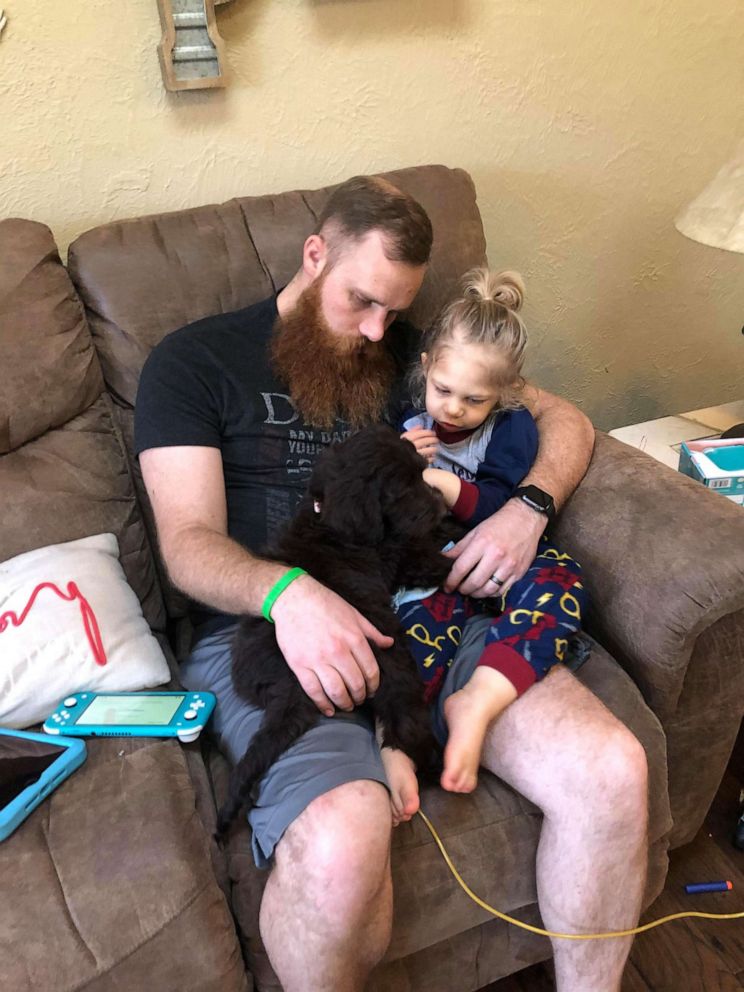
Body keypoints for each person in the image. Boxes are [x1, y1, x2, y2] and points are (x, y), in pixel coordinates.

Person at [134, 175, 648, 992]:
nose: (379, 331)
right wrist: (287, 595)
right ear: (313, 256)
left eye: (394, 312)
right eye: (362, 302)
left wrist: (527, 513)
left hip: (431, 597)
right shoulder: (195, 362)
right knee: (341, 845)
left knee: (612, 771)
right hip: (271, 626)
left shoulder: (411, 350)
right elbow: (187, 546)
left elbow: (566, 421)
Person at [380, 267, 586, 810]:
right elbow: (383, 502)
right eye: (443, 390)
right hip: (433, 568)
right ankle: (396, 742)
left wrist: (445, 482)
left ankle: (481, 697)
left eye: (473, 400)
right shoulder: (407, 419)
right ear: (425, 370)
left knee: (562, 579)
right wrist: (402, 459)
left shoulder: (511, 427)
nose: (452, 409)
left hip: (498, 559)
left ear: (506, 393)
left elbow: (502, 507)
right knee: (416, 631)